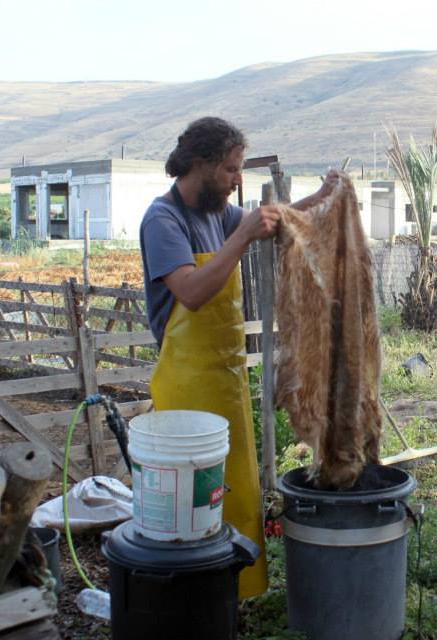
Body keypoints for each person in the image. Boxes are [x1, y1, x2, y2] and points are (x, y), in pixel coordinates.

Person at [139, 117, 280, 599]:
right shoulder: (164, 219)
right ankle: (194, 597)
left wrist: (324, 201)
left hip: (225, 380)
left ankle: (235, 592)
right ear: (199, 164)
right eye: (230, 169)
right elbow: (194, 293)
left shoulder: (217, 212)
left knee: (234, 489)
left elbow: (276, 219)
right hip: (185, 387)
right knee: (192, 500)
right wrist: (241, 240)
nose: (237, 180)